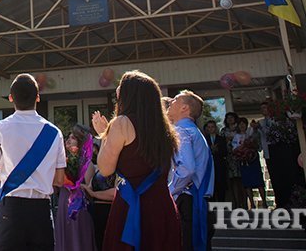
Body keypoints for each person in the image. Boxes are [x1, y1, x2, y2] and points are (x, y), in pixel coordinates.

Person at [92, 70, 180, 251]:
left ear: (129, 95)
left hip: (130, 205)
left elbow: (105, 169)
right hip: (162, 204)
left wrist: (104, 135)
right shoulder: (165, 129)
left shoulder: (121, 123)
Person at [0, 73, 67, 251]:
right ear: (37, 97)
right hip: (41, 211)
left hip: (11, 211)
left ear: (11, 97)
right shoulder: (54, 132)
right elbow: (59, 180)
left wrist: (7, 177)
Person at [166, 91, 214, 251]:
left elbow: (187, 168)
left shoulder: (181, 131)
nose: (170, 102)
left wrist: (169, 191)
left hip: (188, 200)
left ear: (184, 108)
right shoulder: (194, 131)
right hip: (196, 200)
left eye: (175, 100)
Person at [55, 128, 95, 251]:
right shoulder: (62, 162)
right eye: (68, 137)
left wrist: (77, 186)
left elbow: (89, 187)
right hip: (63, 201)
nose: (68, 140)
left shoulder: (87, 163)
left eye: (73, 138)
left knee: (79, 237)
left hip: (79, 205)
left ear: (80, 142)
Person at [202, 120, 227, 202]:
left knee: (221, 187)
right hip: (209, 166)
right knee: (211, 186)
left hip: (219, 165)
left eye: (212, 127)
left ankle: (221, 207)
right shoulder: (204, 140)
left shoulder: (221, 139)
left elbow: (225, 152)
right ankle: (212, 209)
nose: (211, 129)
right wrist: (210, 150)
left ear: (215, 128)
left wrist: (217, 150)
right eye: (209, 127)